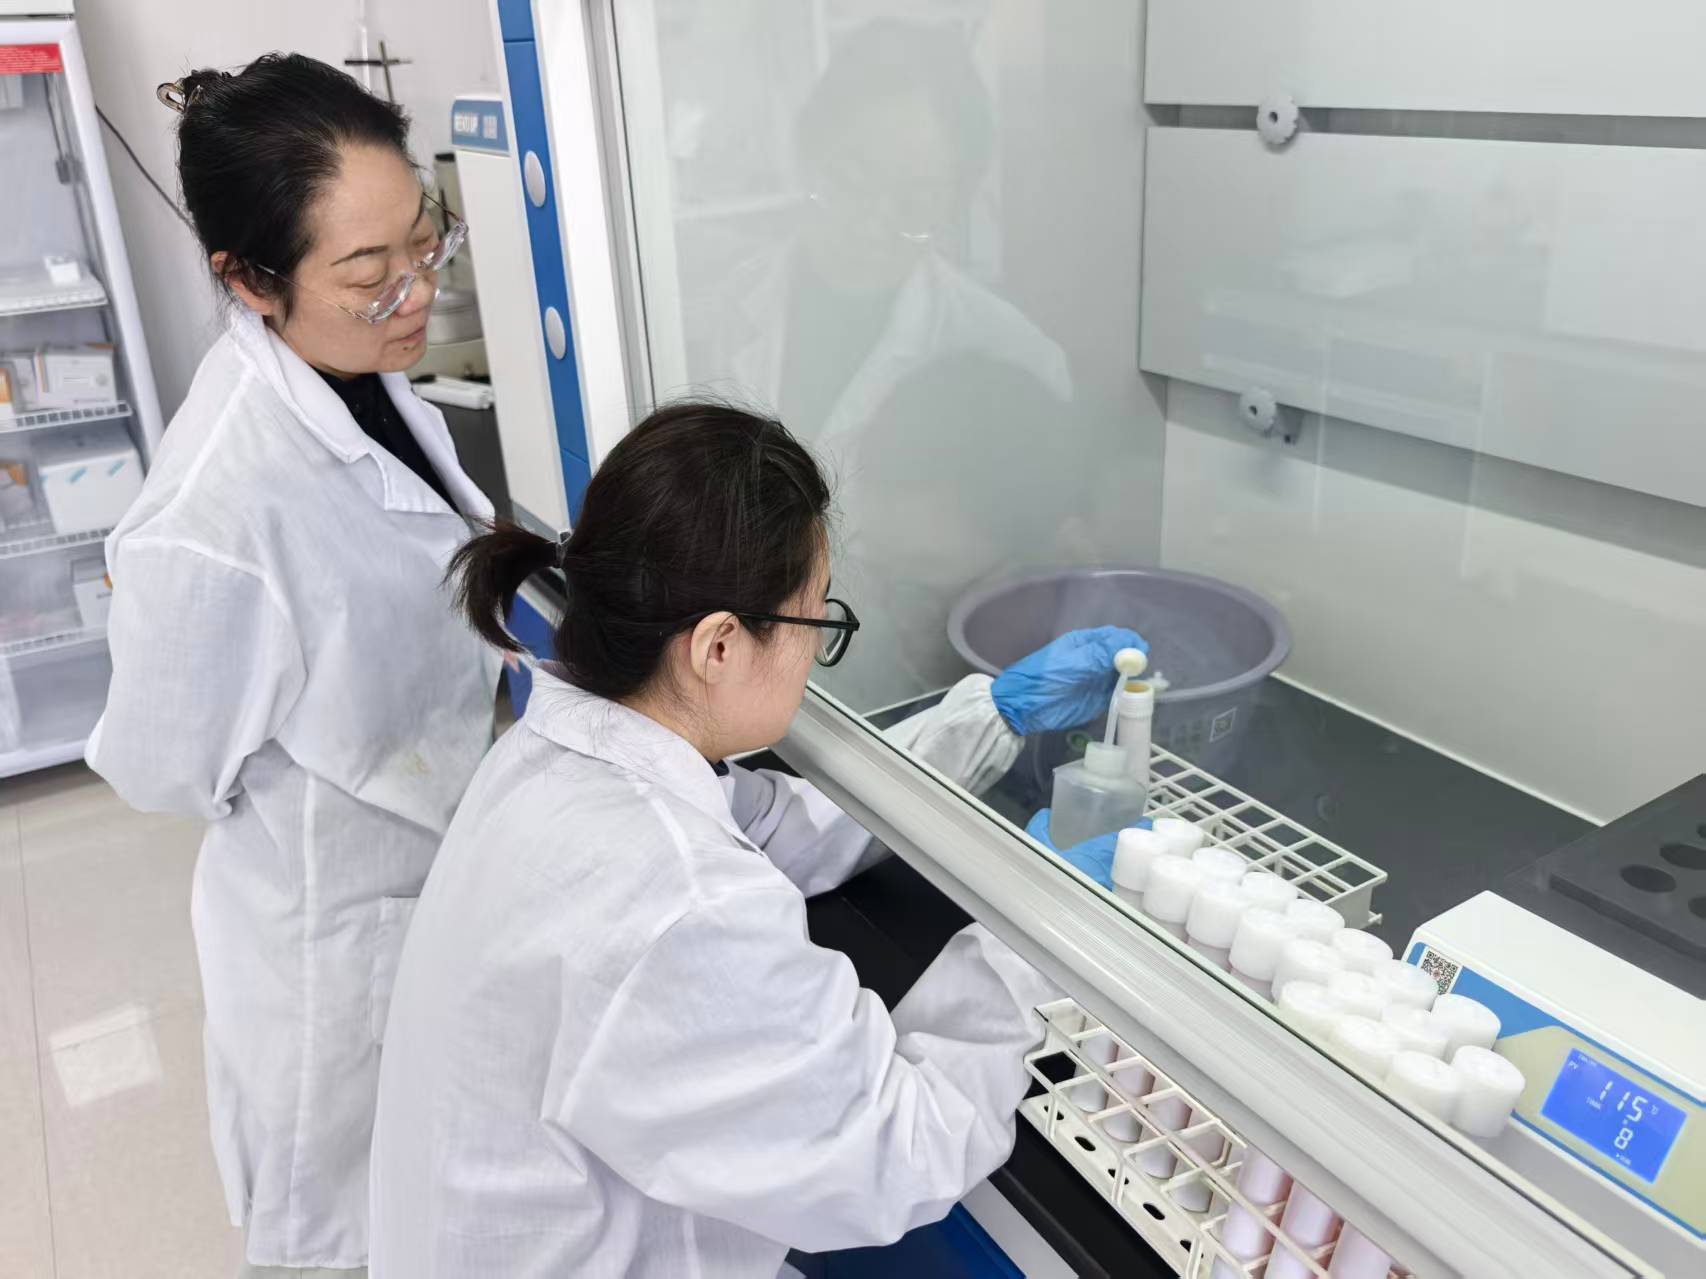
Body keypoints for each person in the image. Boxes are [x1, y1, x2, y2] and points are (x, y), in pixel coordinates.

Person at [368, 401, 1142, 1277]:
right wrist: (1031, 936)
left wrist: (987, 718)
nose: (815, 654)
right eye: (817, 623)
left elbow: (768, 824)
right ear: (719, 647)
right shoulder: (679, 908)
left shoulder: (557, 751)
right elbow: (899, 1149)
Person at [86, 55, 498, 1276]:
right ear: (248, 280)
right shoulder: (212, 517)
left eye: (424, 239)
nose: (416, 289)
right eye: (369, 274)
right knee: (341, 1235)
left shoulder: (366, 382)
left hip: (437, 887)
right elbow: (162, 767)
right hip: (334, 957)